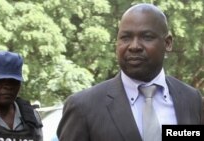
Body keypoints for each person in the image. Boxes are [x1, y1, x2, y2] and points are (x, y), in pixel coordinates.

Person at [57, 3, 202, 141]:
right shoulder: (83, 107)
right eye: (125, 38)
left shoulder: (191, 100)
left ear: (168, 43)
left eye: (147, 37)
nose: (134, 46)